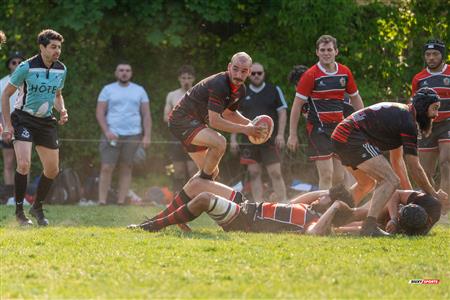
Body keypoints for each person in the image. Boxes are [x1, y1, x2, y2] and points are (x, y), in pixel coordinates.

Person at [331, 88, 448, 236]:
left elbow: (397, 161)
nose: (436, 115)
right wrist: (433, 193)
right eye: (435, 108)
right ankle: (369, 226)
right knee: (390, 180)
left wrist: (409, 196)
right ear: (424, 107)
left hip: (342, 135)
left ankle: (335, 214)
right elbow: (414, 167)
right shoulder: (408, 122)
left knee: (367, 183)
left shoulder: (402, 116)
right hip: (350, 136)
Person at [128, 177, 354, 236]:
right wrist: (330, 196)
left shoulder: (313, 222)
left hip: (245, 221)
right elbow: (307, 197)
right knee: (198, 183)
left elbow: (315, 234)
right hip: (248, 206)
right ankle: (160, 219)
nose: (319, 197)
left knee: (205, 198)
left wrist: (335, 207)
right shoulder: (309, 209)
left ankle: (154, 226)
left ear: (331, 207)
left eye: (326, 199)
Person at [1, 29, 68, 226]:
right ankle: (20, 212)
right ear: (42, 47)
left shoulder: (61, 69)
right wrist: (8, 124)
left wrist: (62, 109)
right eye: (53, 47)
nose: (57, 51)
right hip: (23, 119)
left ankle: (37, 206)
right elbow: (5, 95)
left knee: (52, 169)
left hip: (46, 122)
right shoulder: (26, 67)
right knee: (23, 164)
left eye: (59, 47)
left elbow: (57, 95)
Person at [168, 52, 265, 182]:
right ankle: (203, 184)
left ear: (249, 72)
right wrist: (246, 129)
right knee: (220, 143)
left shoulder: (241, 90)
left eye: (243, 71)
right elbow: (215, 122)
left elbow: (229, 113)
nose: (238, 74)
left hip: (195, 123)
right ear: (229, 67)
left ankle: (185, 199)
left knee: (211, 173)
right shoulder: (220, 84)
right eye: (235, 69)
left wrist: (252, 124)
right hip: (182, 120)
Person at [287, 35, 364, 190]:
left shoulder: (344, 72)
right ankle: (323, 211)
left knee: (339, 176)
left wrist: (364, 123)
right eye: (322, 50)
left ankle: (340, 210)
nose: (326, 53)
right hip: (318, 129)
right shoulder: (310, 75)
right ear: (317, 52)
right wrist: (292, 134)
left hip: (339, 128)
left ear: (336, 51)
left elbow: (356, 99)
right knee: (327, 174)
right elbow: (296, 106)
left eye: (329, 50)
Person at [230, 62, 288, 202]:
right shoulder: (241, 92)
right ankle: (258, 206)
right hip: (249, 139)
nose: (256, 76)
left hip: (270, 139)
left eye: (259, 73)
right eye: (253, 73)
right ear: (249, 74)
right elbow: (234, 116)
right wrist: (233, 138)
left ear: (264, 74)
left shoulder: (274, 90)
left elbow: (282, 113)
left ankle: (284, 204)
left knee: (275, 173)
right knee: (254, 173)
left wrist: (280, 134)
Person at [96, 62, 152, 205]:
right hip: (112, 134)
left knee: (127, 167)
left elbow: (146, 114)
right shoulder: (107, 89)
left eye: (127, 70)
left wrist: (147, 135)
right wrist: (107, 131)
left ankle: (121, 201)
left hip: (134, 134)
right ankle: (102, 201)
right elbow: (100, 112)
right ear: (116, 73)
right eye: (121, 70)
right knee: (106, 167)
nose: (124, 73)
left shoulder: (139, 90)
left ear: (131, 73)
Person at [411, 39, 449, 222]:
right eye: (428, 54)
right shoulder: (419, 78)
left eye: (435, 54)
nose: (431, 58)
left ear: (443, 55)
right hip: (427, 127)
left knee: (445, 163)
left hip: (448, 125)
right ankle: (430, 208)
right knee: (425, 171)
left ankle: (445, 210)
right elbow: (415, 106)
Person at [163, 65, 197, 193]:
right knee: (179, 171)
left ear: (193, 79)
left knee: (193, 169)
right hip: (177, 136)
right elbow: (166, 117)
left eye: (189, 78)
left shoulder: (198, 93)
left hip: (194, 135)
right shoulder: (172, 95)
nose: (186, 80)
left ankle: (193, 197)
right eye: (183, 78)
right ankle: (176, 198)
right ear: (179, 79)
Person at [0, 51, 25, 201]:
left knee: (23, 163)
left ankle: (22, 197)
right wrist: (6, 129)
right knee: (9, 163)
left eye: (19, 62)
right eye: (13, 62)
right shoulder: (2, 83)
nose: (16, 65)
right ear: (9, 65)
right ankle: (10, 197)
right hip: (6, 129)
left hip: (24, 128)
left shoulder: (28, 81)